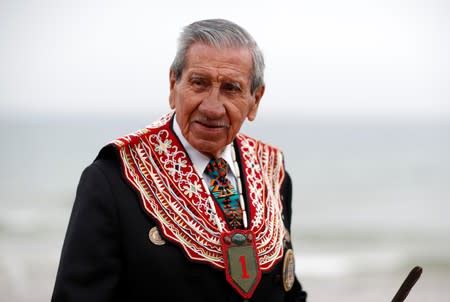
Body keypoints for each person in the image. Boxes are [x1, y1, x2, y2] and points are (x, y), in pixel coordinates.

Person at [52, 18, 307, 302]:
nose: (212, 107)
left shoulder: (272, 173)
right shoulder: (112, 179)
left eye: (231, 88)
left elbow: (287, 291)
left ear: (255, 100)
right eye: (199, 83)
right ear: (174, 85)